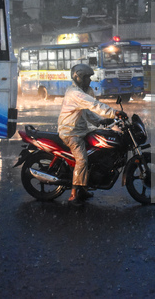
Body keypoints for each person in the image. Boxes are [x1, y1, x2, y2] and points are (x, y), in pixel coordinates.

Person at [58, 63, 127, 206]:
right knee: (82, 160)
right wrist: (114, 112)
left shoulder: (80, 91)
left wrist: (102, 121)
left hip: (81, 130)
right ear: (79, 77)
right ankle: (73, 194)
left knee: (94, 155)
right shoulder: (75, 93)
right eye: (87, 77)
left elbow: (88, 113)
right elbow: (94, 105)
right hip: (71, 133)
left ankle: (83, 189)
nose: (90, 80)